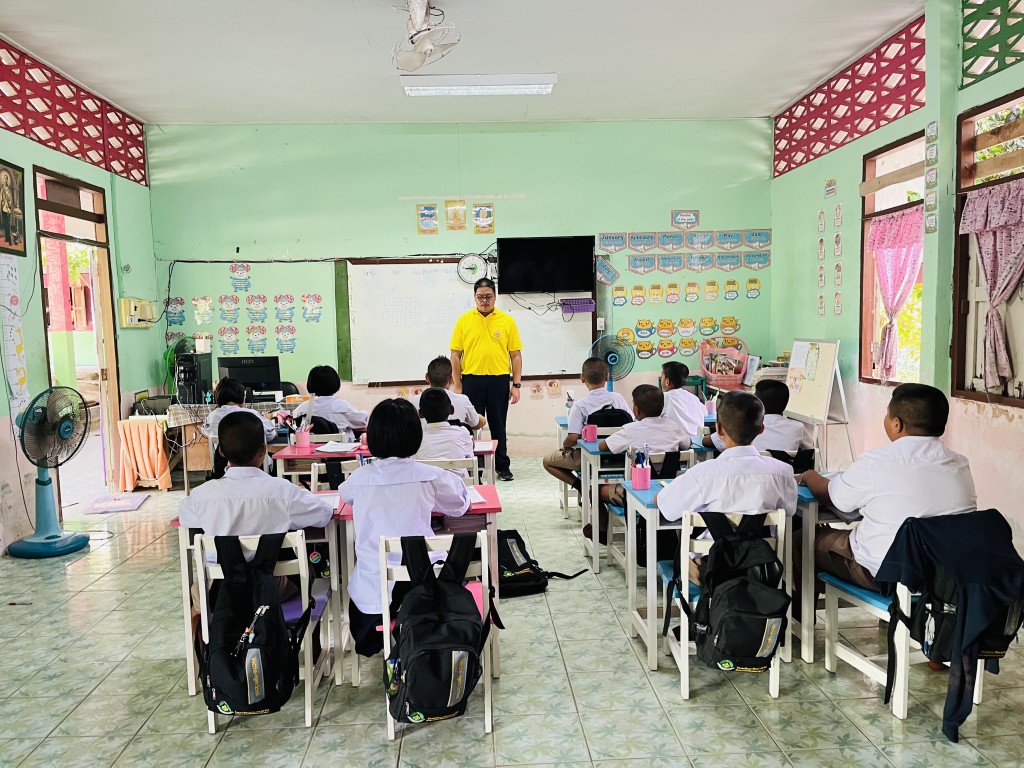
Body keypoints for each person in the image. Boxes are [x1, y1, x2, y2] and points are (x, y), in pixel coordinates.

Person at [799, 383, 976, 590]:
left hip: (886, 574)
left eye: (887, 414)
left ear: (896, 424)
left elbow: (834, 497)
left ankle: (805, 611)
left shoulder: (875, 463)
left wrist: (809, 475)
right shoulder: (960, 464)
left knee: (803, 541)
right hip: (945, 577)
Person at [339, 398, 469, 656]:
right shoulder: (431, 476)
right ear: (416, 436)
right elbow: (459, 505)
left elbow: (346, 496)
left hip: (372, 602)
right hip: (427, 592)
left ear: (372, 436)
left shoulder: (359, 478)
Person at [179, 411, 335, 601]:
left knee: (197, 592)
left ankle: (211, 619)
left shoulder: (201, 495)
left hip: (220, 587)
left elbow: (184, 517)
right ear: (262, 450)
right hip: (270, 587)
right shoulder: (283, 492)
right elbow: (324, 514)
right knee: (305, 569)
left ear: (221, 452)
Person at [657, 391, 797, 584]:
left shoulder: (702, 474)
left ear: (719, 429)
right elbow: (789, 511)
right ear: (761, 429)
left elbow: (668, 509)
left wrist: (660, 495)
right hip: (761, 565)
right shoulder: (783, 472)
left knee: (677, 552)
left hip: (712, 568)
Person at [586, 384, 691, 542]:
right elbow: (687, 444)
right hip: (669, 491)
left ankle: (601, 533)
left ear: (636, 410)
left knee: (594, 490)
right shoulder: (672, 426)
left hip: (635, 494)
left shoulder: (630, 430)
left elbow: (603, 446)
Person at [450, 278, 522, 481]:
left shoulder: (507, 321)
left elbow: (515, 355)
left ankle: (502, 465)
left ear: (495, 297)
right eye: (480, 297)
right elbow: (455, 355)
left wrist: (516, 385)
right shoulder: (464, 321)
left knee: (498, 424)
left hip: (499, 380)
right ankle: (473, 466)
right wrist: (458, 385)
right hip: (471, 380)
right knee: (470, 426)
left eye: (488, 297)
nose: (484, 301)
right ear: (474, 297)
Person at [542, 357, 631, 492]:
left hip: (588, 459)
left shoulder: (580, 406)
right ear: (607, 376)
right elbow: (632, 423)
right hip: (620, 456)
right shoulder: (618, 399)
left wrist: (565, 446)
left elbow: (573, 438)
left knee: (547, 461)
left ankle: (581, 487)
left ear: (582, 378)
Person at [703, 379, 813, 453]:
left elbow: (707, 442)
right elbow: (810, 452)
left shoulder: (748, 424)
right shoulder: (798, 428)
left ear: (757, 402)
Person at [291, 365, 368, 440]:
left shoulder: (302, 408)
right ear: (335, 383)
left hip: (310, 448)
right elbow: (363, 422)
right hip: (340, 447)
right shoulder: (343, 406)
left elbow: (293, 423)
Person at [410, 355, 486, 430]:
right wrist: (482, 419)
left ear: (427, 377)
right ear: (451, 379)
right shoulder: (462, 400)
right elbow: (477, 423)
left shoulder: (415, 401)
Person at [413, 387, 475, 476]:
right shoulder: (463, 432)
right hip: (458, 484)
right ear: (452, 410)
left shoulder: (416, 438)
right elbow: (469, 458)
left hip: (427, 484)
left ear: (420, 414)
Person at [202, 377, 277, 443]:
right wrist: (268, 419)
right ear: (242, 397)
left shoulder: (212, 416)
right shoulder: (251, 415)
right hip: (249, 455)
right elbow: (270, 435)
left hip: (224, 455)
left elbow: (204, 431)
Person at [660, 362, 706, 436]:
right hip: (698, 439)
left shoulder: (664, 398)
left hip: (677, 440)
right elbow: (705, 412)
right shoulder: (693, 398)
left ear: (667, 381)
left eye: (662, 377)